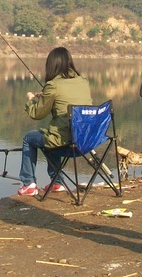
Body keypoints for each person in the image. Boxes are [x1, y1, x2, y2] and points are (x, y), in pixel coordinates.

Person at [17, 46, 93, 196]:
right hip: (86, 141)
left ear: (51, 65)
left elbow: (37, 114)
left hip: (66, 143)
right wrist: (45, 96)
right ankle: (57, 182)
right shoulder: (83, 81)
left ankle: (28, 183)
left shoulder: (53, 85)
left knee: (30, 138)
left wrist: (31, 100)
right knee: (52, 134)